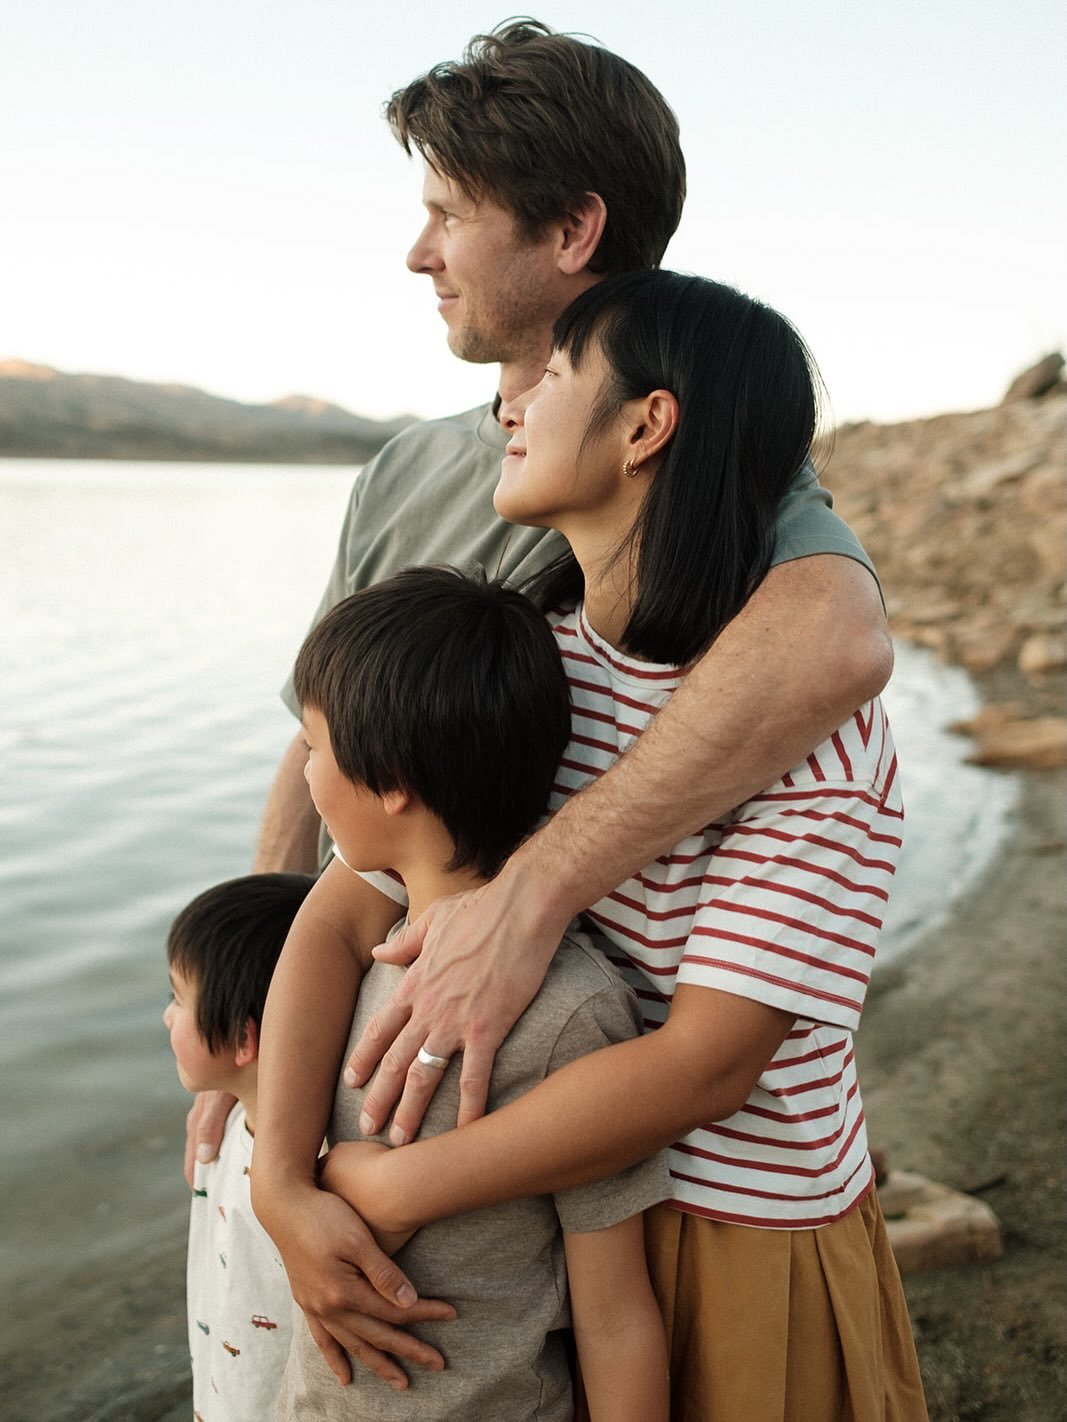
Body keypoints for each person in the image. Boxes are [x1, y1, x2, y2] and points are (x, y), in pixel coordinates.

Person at [206, 18, 892, 1386]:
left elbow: (840, 639)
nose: (417, 252)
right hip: (431, 1143)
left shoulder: (727, 511)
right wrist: (251, 1050)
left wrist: (527, 902)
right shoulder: (425, 484)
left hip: (660, 1192)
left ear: (572, 228)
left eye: (446, 214)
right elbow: (326, 756)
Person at [284, 271, 928, 1420]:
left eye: (558, 372)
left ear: (646, 425)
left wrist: (391, 1183)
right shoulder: (531, 653)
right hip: (523, 1224)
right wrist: (287, 1187)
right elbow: (348, 901)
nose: (513, 404)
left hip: (724, 1236)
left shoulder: (810, 738)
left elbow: (706, 1065)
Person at [273, 566, 669, 1421]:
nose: (304, 774)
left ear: (391, 786)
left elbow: (615, 1317)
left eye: (313, 747)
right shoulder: (356, 956)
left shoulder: (568, 1016)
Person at [163, 872, 314, 1422]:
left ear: (244, 1039)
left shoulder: (304, 1180)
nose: (167, 1015)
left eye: (178, 998)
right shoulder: (229, 1117)